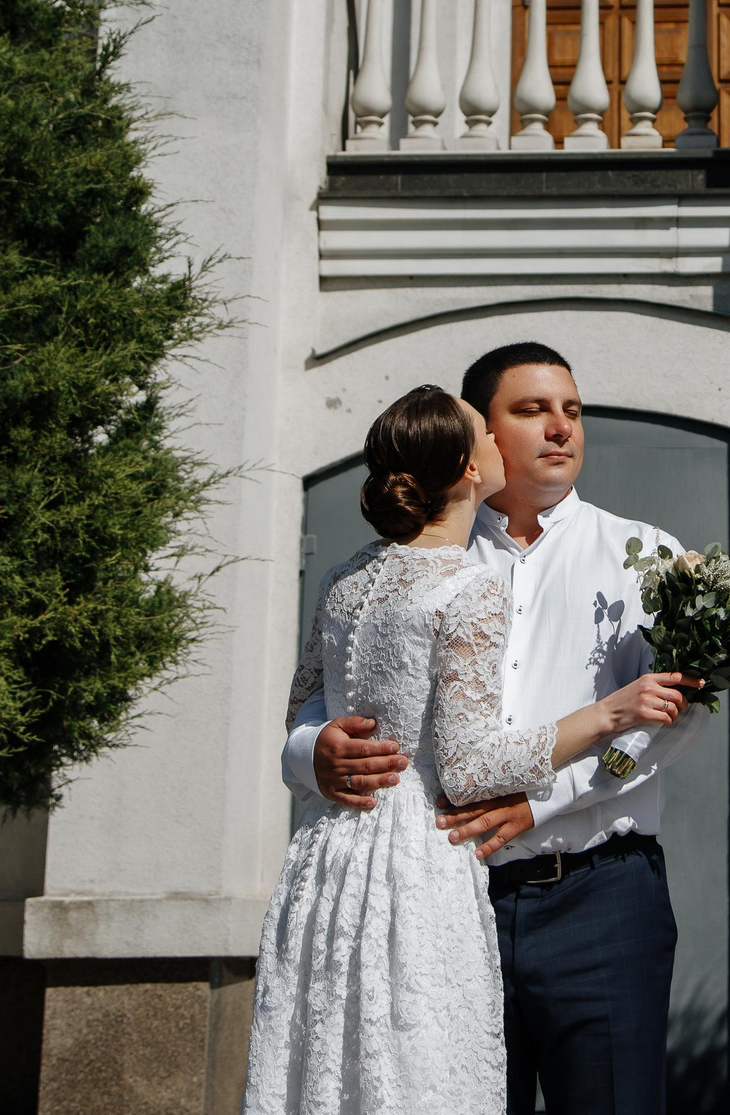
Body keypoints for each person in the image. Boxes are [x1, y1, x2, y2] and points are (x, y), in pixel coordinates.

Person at [243, 384, 695, 1115]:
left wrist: (561, 790)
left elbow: (679, 719)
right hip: (432, 874)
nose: (557, 428)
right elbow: (460, 764)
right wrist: (312, 751)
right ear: (475, 458)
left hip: (359, 870)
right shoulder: (465, 577)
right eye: (509, 418)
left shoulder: (346, 575)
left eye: (573, 410)